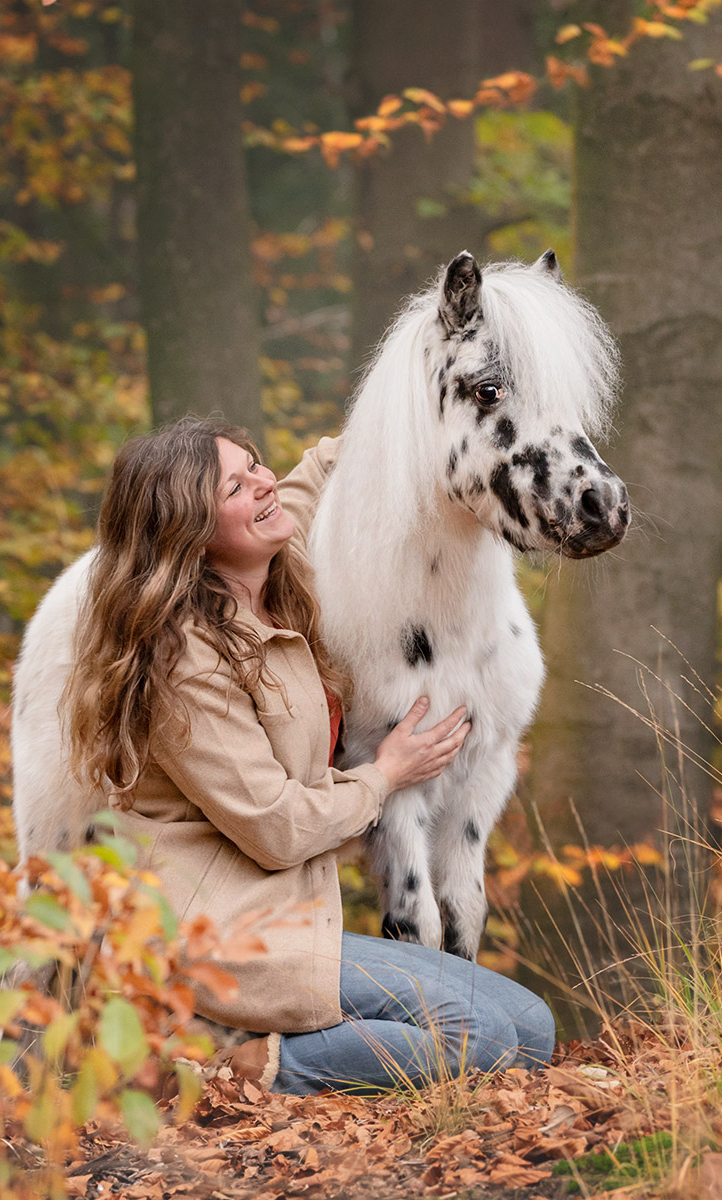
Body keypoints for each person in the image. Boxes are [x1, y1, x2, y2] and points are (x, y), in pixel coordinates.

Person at [65, 416, 555, 1094]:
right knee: (484, 1040)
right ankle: (222, 1064)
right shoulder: (184, 663)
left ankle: (263, 1043)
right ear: (190, 532)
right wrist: (385, 775)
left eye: (254, 464)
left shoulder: (270, 564)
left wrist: (428, 410)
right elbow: (276, 827)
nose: (264, 484)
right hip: (216, 937)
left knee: (531, 1027)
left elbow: (324, 464)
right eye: (236, 486)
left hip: (295, 919)